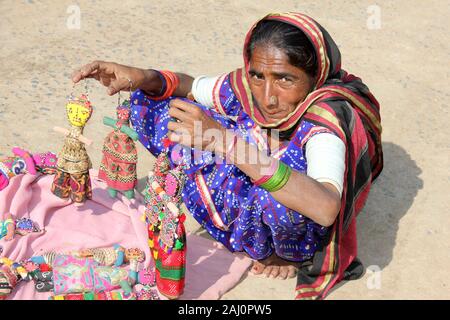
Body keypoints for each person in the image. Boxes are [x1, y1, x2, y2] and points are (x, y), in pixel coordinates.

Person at [72, 12, 383, 300]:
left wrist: (225, 142)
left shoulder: (324, 119)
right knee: (154, 102)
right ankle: (236, 228)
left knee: (281, 196)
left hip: (291, 202)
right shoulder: (246, 87)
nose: (267, 95)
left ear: (316, 77)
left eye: (285, 79)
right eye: (258, 76)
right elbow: (190, 86)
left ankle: (284, 252)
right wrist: (142, 76)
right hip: (249, 163)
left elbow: (326, 207)